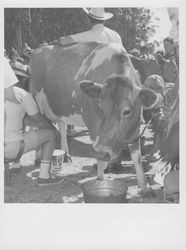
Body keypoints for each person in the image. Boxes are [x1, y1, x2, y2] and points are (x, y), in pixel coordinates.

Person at [4, 57, 64, 186]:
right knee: (50, 135)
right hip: (9, 148)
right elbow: (40, 121)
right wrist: (53, 129)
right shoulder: (22, 94)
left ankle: (16, 165)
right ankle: (44, 176)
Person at [51, 8, 123, 46]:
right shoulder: (116, 35)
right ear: (104, 20)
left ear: (89, 20)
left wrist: (53, 42)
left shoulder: (90, 35)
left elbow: (64, 41)